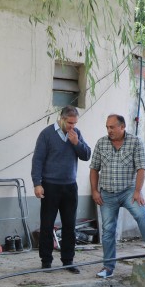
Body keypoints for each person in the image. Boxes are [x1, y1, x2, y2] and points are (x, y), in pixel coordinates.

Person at [90, 114, 145, 279]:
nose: (109, 130)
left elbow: (141, 168)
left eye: (112, 127)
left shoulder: (135, 142)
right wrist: (95, 191)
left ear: (122, 127)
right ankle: (108, 267)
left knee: (142, 215)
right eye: (107, 127)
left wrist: (137, 191)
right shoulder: (101, 143)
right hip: (107, 193)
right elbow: (94, 169)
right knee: (108, 230)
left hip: (129, 191)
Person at [31, 105, 91, 273]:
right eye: (70, 123)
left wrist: (76, 143)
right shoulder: (46, 134)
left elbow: (86, 155)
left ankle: (68, 261)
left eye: (75, 123)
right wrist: (37, 183)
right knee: (47, 224)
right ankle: (46, 261)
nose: (73, 126)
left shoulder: (76, 134)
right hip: (50, 185)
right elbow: (37, 160)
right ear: (62, 119)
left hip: (70, 186)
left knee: (69, 225)